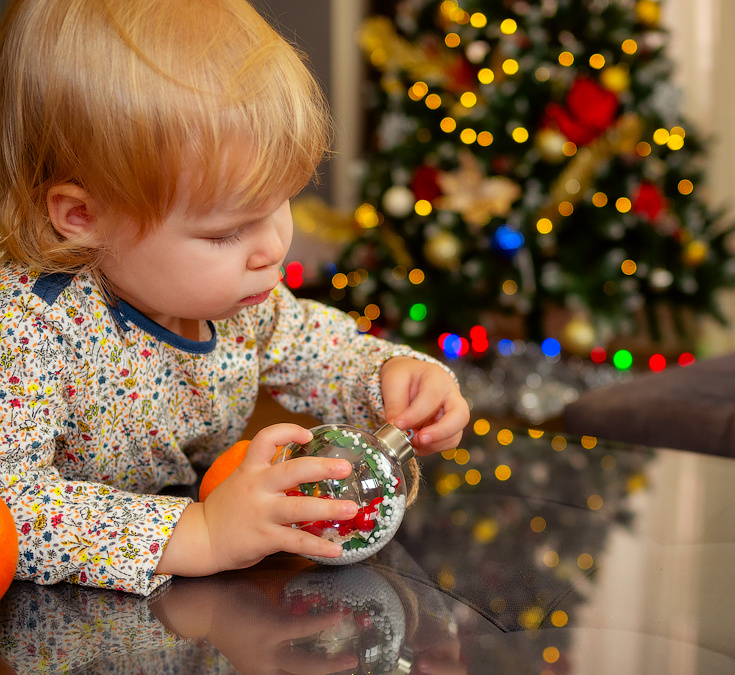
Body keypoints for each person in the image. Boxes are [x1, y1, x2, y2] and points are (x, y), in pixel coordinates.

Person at [0, 0, 469, 596]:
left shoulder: (244, 302)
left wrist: (392, 376)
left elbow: (319, 349)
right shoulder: (29, 330)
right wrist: (198, 533)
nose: (272, 248)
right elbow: (13, 507)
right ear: (83, 216)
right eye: (225, 232)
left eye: (279, 204)